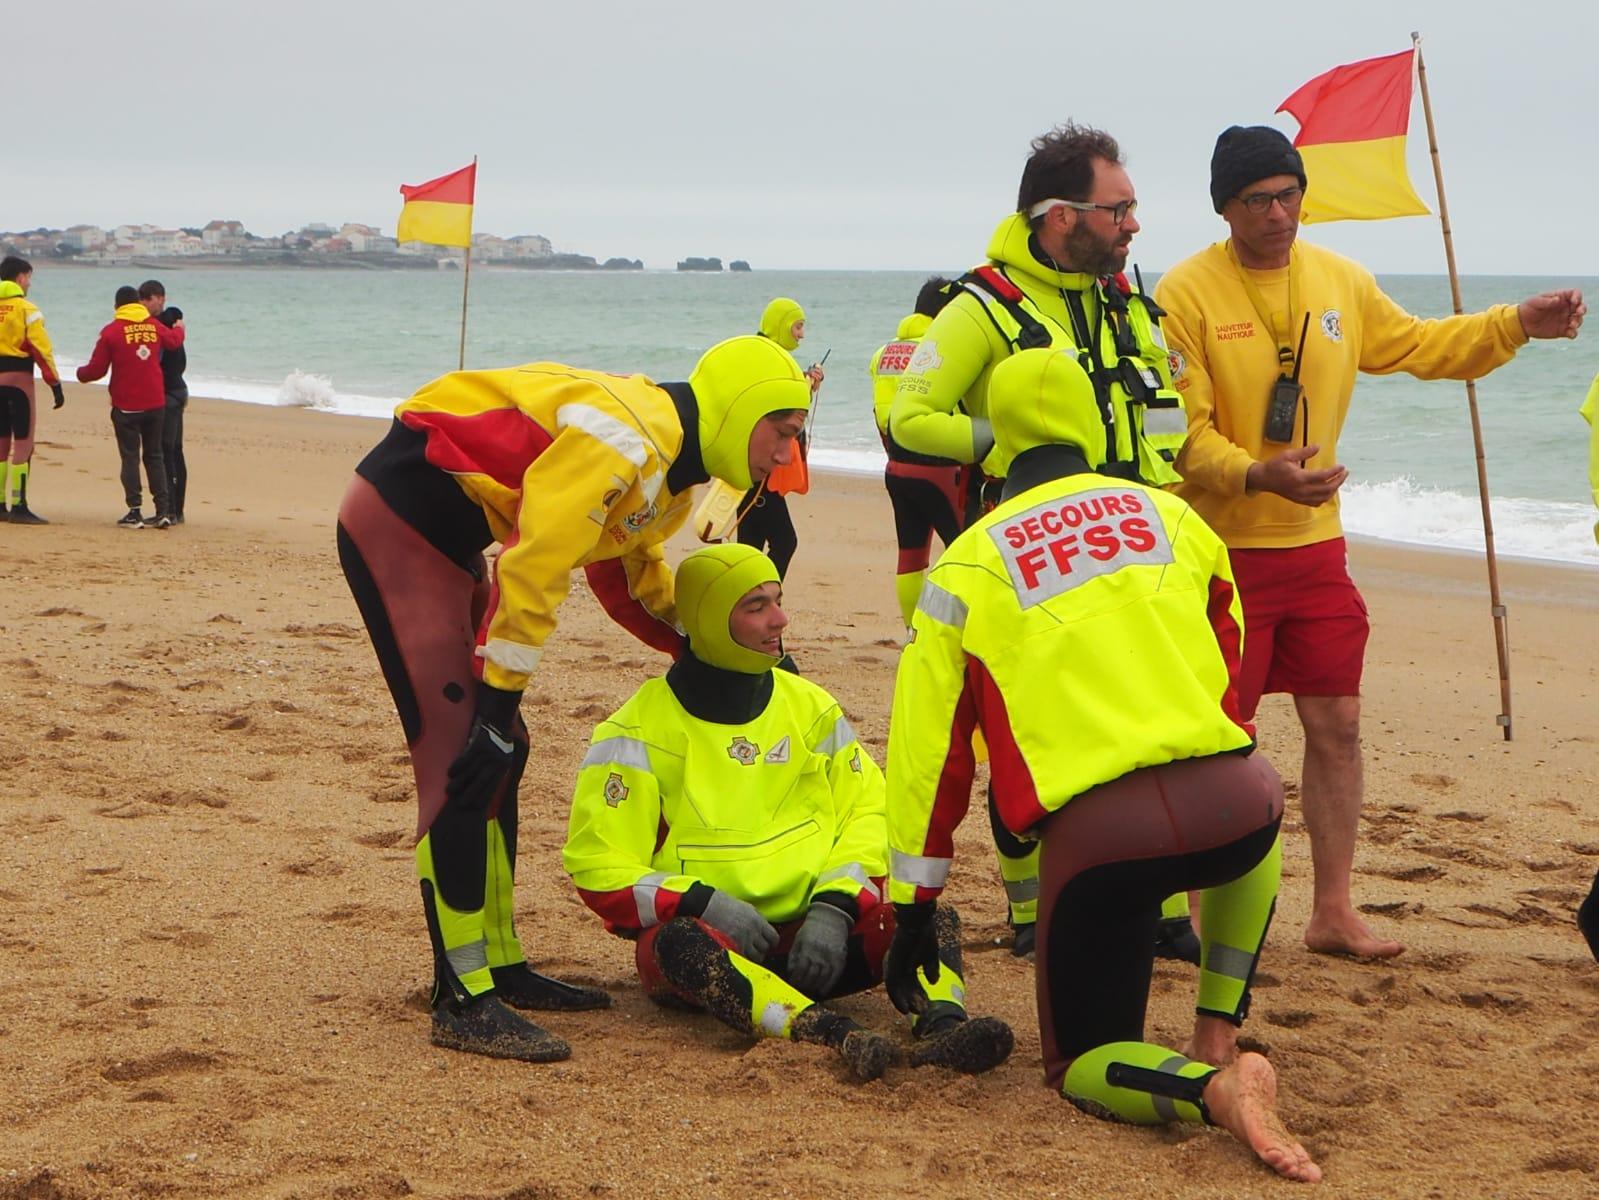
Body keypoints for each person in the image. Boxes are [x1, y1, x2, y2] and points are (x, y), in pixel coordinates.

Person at [883, 347, 1319, 1183]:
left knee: (1079, 1067)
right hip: (1237, 809)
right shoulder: (1173, 517)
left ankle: (1211, 1090)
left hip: (1103, 845)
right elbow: (1229, 662)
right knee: (1245, 790)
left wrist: (913, 908)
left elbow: (929, 758)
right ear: (1090, 418)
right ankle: (1217, 1026)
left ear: (994, 443)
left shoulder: (965, 567)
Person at [1155, 125, 1587, 960]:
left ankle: (1332, 911)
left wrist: (1515, 324)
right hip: (1218, 548)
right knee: (1217, 737)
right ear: (1224, 206)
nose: (1279, 214)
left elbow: (1420, 345)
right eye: (1258, 200)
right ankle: (1205, 916)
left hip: (1315, 547)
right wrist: (1256, 475)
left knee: (1339, 724)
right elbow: (1181, 436)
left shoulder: (1340, 281)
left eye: (1289, 195)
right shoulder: (1184, 292)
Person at [335, 336, 817, 1063]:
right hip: (399, 526)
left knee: (504, 752)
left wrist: (711, 649)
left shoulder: (674, 474)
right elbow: (537, 562)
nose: (785, 456)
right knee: (459, 756)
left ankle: (498, 964)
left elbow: (628, 572)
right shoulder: (628, 438)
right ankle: (460, 997)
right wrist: (496, 704)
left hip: (453, 536)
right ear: (742, 410)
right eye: (781, 433)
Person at [886, 123, 1195, 958]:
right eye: (1117, 209)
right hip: (1037, 550)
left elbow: (1161, 405)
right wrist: (1008, 446)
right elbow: (904, 415)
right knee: (1024, 732)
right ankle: (1029, 913)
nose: (1133, 225)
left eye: (1133, 208)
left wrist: (1173, 482)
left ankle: (1159, 909)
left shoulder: (1123, 294)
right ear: (1059, 216)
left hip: (1137, 547)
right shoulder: (980, 305)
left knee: (1149, 726)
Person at [563, 542, 1013, 1080]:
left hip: (816, 942)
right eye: (755, 606)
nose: (780, 619)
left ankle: (942, 1025)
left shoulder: (809, 706)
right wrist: (706, 905)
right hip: (719, 945)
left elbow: (870, 810)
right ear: (707, 618)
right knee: (673, 945)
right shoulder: (634, 732)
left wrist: (836, 907)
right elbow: (597, 862)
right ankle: (829, 1033)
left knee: (929, 918)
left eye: (777, 600)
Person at [869, 276, 968, 630]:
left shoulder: (885, 353)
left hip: (897, 469)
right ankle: (961, 631)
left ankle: (913, 631)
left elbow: (881, 414)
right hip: (940, 470)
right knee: (965, 554)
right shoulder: (939, 349)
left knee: (910, 557)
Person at [76, 285, 185, 529]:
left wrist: (79, 374)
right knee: (154, 455)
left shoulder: (111, 332)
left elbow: (96, 370)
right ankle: (163, 511)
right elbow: (173, 341)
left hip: (126, 407)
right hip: (156, 404)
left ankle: (135, 511)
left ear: (117, 307)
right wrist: (180, 329)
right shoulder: (153, 326)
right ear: (137, 303)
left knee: (130, 457)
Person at [735, 298, 824, 578]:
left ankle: (748, 600)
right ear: (782, 325)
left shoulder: (768, 356)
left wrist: (805, 383)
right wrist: (803, 383)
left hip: (752, 465)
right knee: (785, 541)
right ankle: (764, 599)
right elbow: (771, 405)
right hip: (759, 467)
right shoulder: (767, 357)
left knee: (749, 546)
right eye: (798, 326)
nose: (801, 334)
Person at [0, 256, 66, 524]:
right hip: (18, 381)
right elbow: (41, 350)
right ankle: (18, 504)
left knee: (1, 442)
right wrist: (55, 384)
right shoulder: (27, 309)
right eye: (29, 278)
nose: (29, 284)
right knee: (24, 442)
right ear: (20, 278)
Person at [138, 280, 189, 524]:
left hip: (171, 393)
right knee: (172, 451)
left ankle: (172, 509)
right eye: (145, 300)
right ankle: (175, 509)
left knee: (167, 451)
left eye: (150, 300)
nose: (146, 306)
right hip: (171, 392)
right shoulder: (166, 324)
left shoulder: (163, 324)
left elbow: (174, 313)